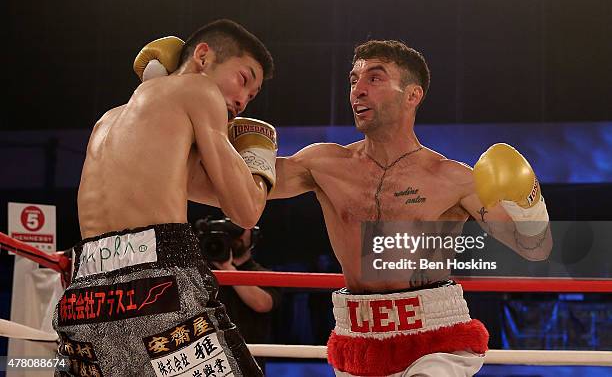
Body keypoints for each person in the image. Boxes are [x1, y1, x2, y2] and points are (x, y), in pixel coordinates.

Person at [149, 39, 552, 376]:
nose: (358, 89)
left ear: (413, 95)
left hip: (436, 335)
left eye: (375, 78)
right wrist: (165, 104)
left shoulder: (454, 178)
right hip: (357, 336)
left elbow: (534, 250)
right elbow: (217, 190)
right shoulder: (324, 164)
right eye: (354, 79)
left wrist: (529, 202)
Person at [53, 19, 276, 376]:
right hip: (158, 286)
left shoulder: (107, 120)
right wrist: (261, 163)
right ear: (203, 56)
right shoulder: (200, 91)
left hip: (84, 296)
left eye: (252, 97)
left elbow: (208, 190)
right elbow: (247, 210)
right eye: (244, 79)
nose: (242, 100)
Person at [196, 218, 281, 373]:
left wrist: (228, 269)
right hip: (210, 359)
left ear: (253, 235)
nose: (235, 238)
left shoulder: (264, 274)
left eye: (240, 231)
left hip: (250, 359)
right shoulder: (203, 276)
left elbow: (263, 304)